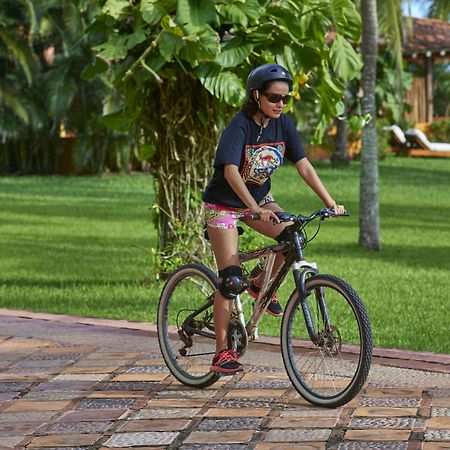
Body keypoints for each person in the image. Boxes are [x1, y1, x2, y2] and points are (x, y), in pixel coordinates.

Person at [202, 63, 346, 375]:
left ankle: (259, 285)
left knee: (293, 235)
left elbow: (304, 166)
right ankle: (221, 353)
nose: (280, 103)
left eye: (285, 98)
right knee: (229, 280)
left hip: (260, 201)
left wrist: (331, 202)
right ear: (256, 96)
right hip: (224, 205)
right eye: (273, 97)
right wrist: (253, 207)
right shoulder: (239, 126)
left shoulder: (284, 125)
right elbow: (229, 171)